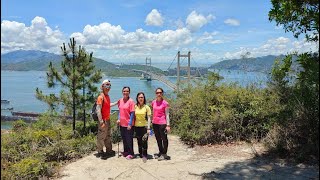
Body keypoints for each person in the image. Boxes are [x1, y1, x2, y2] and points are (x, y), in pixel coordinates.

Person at [96, 79, 118, 158]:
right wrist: (101, 121)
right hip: (103, 120)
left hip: (107, 119)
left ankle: (109, 150)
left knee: (108, 135)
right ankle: (100, 151)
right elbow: (98, 110)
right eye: (106, 85)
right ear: (102, 87)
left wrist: (116, 103)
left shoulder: (107, 96)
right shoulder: (100, 97)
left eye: (109, 85)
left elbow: (108, 105)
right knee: (101, 136)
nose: (108, 87)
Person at [151, 87, 171, 161]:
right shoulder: (153, 102)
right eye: (157, 93)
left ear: (162, 93)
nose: (159, 94)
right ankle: (160, 151)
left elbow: (167, 114)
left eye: (160, 93)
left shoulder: (165, 103)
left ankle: (164, 154)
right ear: (155, 94)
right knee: (158, 138)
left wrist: (168, 125)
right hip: (155, 123)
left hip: (162, 123)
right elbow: (153, 113)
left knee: (164, 138)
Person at [117, 86, 135, 160]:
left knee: (129, 139)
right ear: (122, 92)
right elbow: (120, 111)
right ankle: (126, 151)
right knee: (124, 139)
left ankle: (131, 153)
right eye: (124, 91)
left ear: (129, 92)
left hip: (128, 124)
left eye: (127, 91)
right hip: (122, 124)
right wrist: (118, 119)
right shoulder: (120, 100)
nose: (125, 92)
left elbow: (132, 113)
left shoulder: (131, 101)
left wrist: (130, 124)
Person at [134, 92, 151, 163]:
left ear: (144, 98)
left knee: (144, 141)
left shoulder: (147, 107)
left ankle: (145, 155)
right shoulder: (135, 106)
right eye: (139, 97)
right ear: (137, 98)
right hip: (137, 127)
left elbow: (149, 118)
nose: (141, 99)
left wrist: (149, 128)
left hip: (144, 127)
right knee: (139, 141)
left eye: (142, 97)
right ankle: (140, 153)